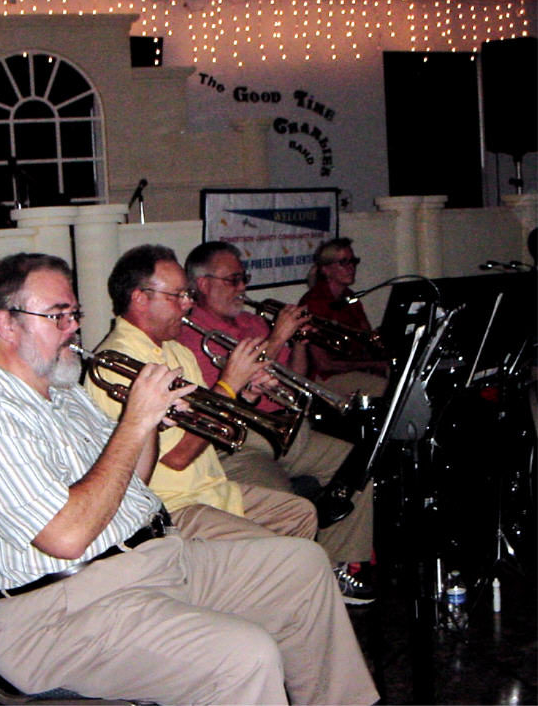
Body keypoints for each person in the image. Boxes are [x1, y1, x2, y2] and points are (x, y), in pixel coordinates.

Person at [0, 251, 378, 705]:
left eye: (75, 314)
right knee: (244, 656)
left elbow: (133, 481)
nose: (73, 328)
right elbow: (66, 536)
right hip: (64, 612)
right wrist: (134, 422)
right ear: (6, 324)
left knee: (302, 567)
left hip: (151, 562)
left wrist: (151, 425)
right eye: (58, 316)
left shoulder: (63, 396)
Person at [85, 244, 373, 603]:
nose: (187, 304)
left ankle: (295, 600)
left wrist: (244, 396)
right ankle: (286, 602)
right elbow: (176, 458)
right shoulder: (120, 362)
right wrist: (229, 386)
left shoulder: (175, 351)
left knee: (300, 513)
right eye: (177, 296)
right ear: (140, 299)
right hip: (173, 505)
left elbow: (206, 428)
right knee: (292, 556)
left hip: (210, 489)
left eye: (187, 295)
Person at [180, 241, 375, 602]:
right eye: (233, 279)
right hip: (240, 440)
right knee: (282, 501)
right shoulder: (189, 334)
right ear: (203, 284)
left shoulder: (252, 321)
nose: (243, 287)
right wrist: (278, 337)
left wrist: (298, 340)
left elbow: (294, 379)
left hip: (287, 429)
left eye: (244, 278)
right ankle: (292, 591)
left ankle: (340, 565)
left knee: (358, 464)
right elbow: (223, 395)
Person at [299, 237, 390, 398]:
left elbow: (368, 339)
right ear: (326, 269)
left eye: (353, 261)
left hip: (352, 369)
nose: (351, 267)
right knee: (387, 389)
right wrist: (373, 365)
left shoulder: (349, 297)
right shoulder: (314, 302)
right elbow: (324, 364)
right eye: (343, 262)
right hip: (326, 377)